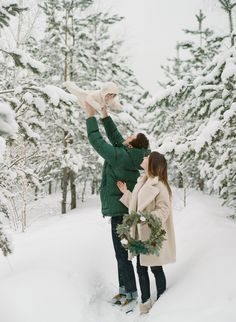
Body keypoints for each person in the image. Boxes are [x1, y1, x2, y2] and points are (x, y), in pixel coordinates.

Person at [84, 102, 150, 306]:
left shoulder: (121, 156)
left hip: (121, 213)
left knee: (122, 255)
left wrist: (90, 117)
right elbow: (115, 137)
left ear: (132, 145)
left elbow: (98, 142)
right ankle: (124, 291)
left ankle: (130, 294)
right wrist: (104, 116)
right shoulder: (130, 154)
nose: (126, 137)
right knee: (122, 254)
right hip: (123, 209)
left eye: (129, 138)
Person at [117, 151, 176, 314]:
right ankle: (145, 302)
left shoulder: (160, 186)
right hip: (139, 235)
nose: (143, 159)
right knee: (141, 268)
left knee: (156, 269)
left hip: (151, 236)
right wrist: (126, 193)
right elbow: (136, 207)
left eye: (146, 158)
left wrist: (147, 219)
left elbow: (164, 210)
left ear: (152, 163)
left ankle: (163, 303)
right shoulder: (141, 182)